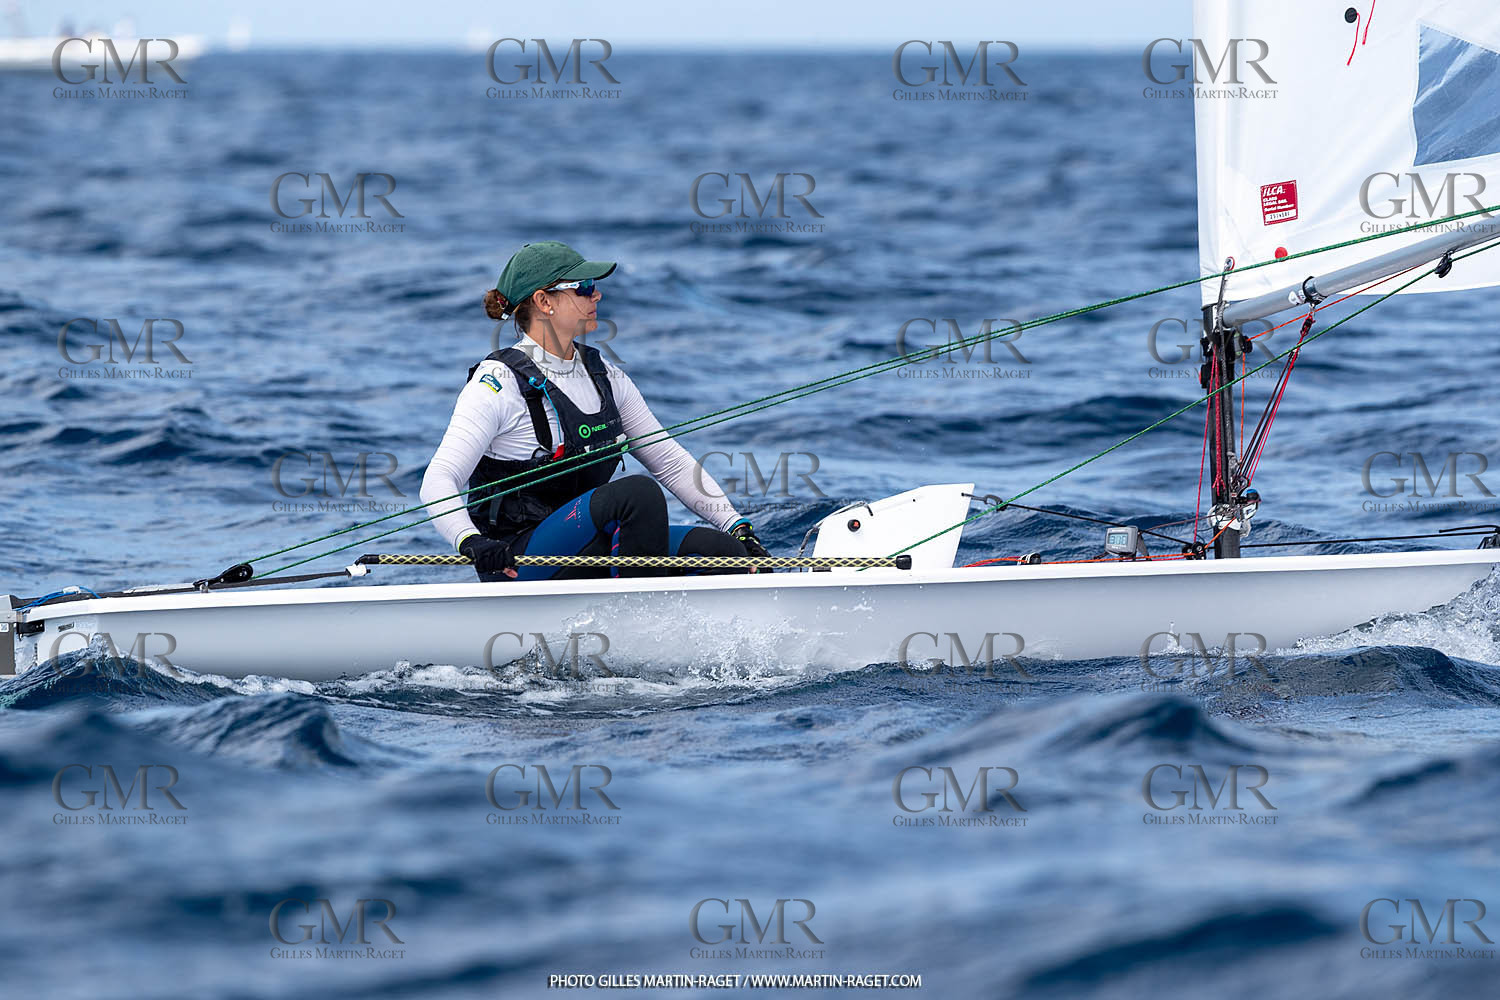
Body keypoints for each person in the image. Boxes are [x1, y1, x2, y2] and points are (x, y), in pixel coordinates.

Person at [420, 241, 770, 581]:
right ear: (544, 301)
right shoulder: (498, 383)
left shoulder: (607, 377)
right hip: (517, 561)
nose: (597, 295)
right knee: (637, 494)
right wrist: (469, 540)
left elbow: (670, 462)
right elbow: (438, 480)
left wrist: (736, 526)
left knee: (721, 551)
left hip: (585, 546)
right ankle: (638, 615)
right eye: (584, 287)